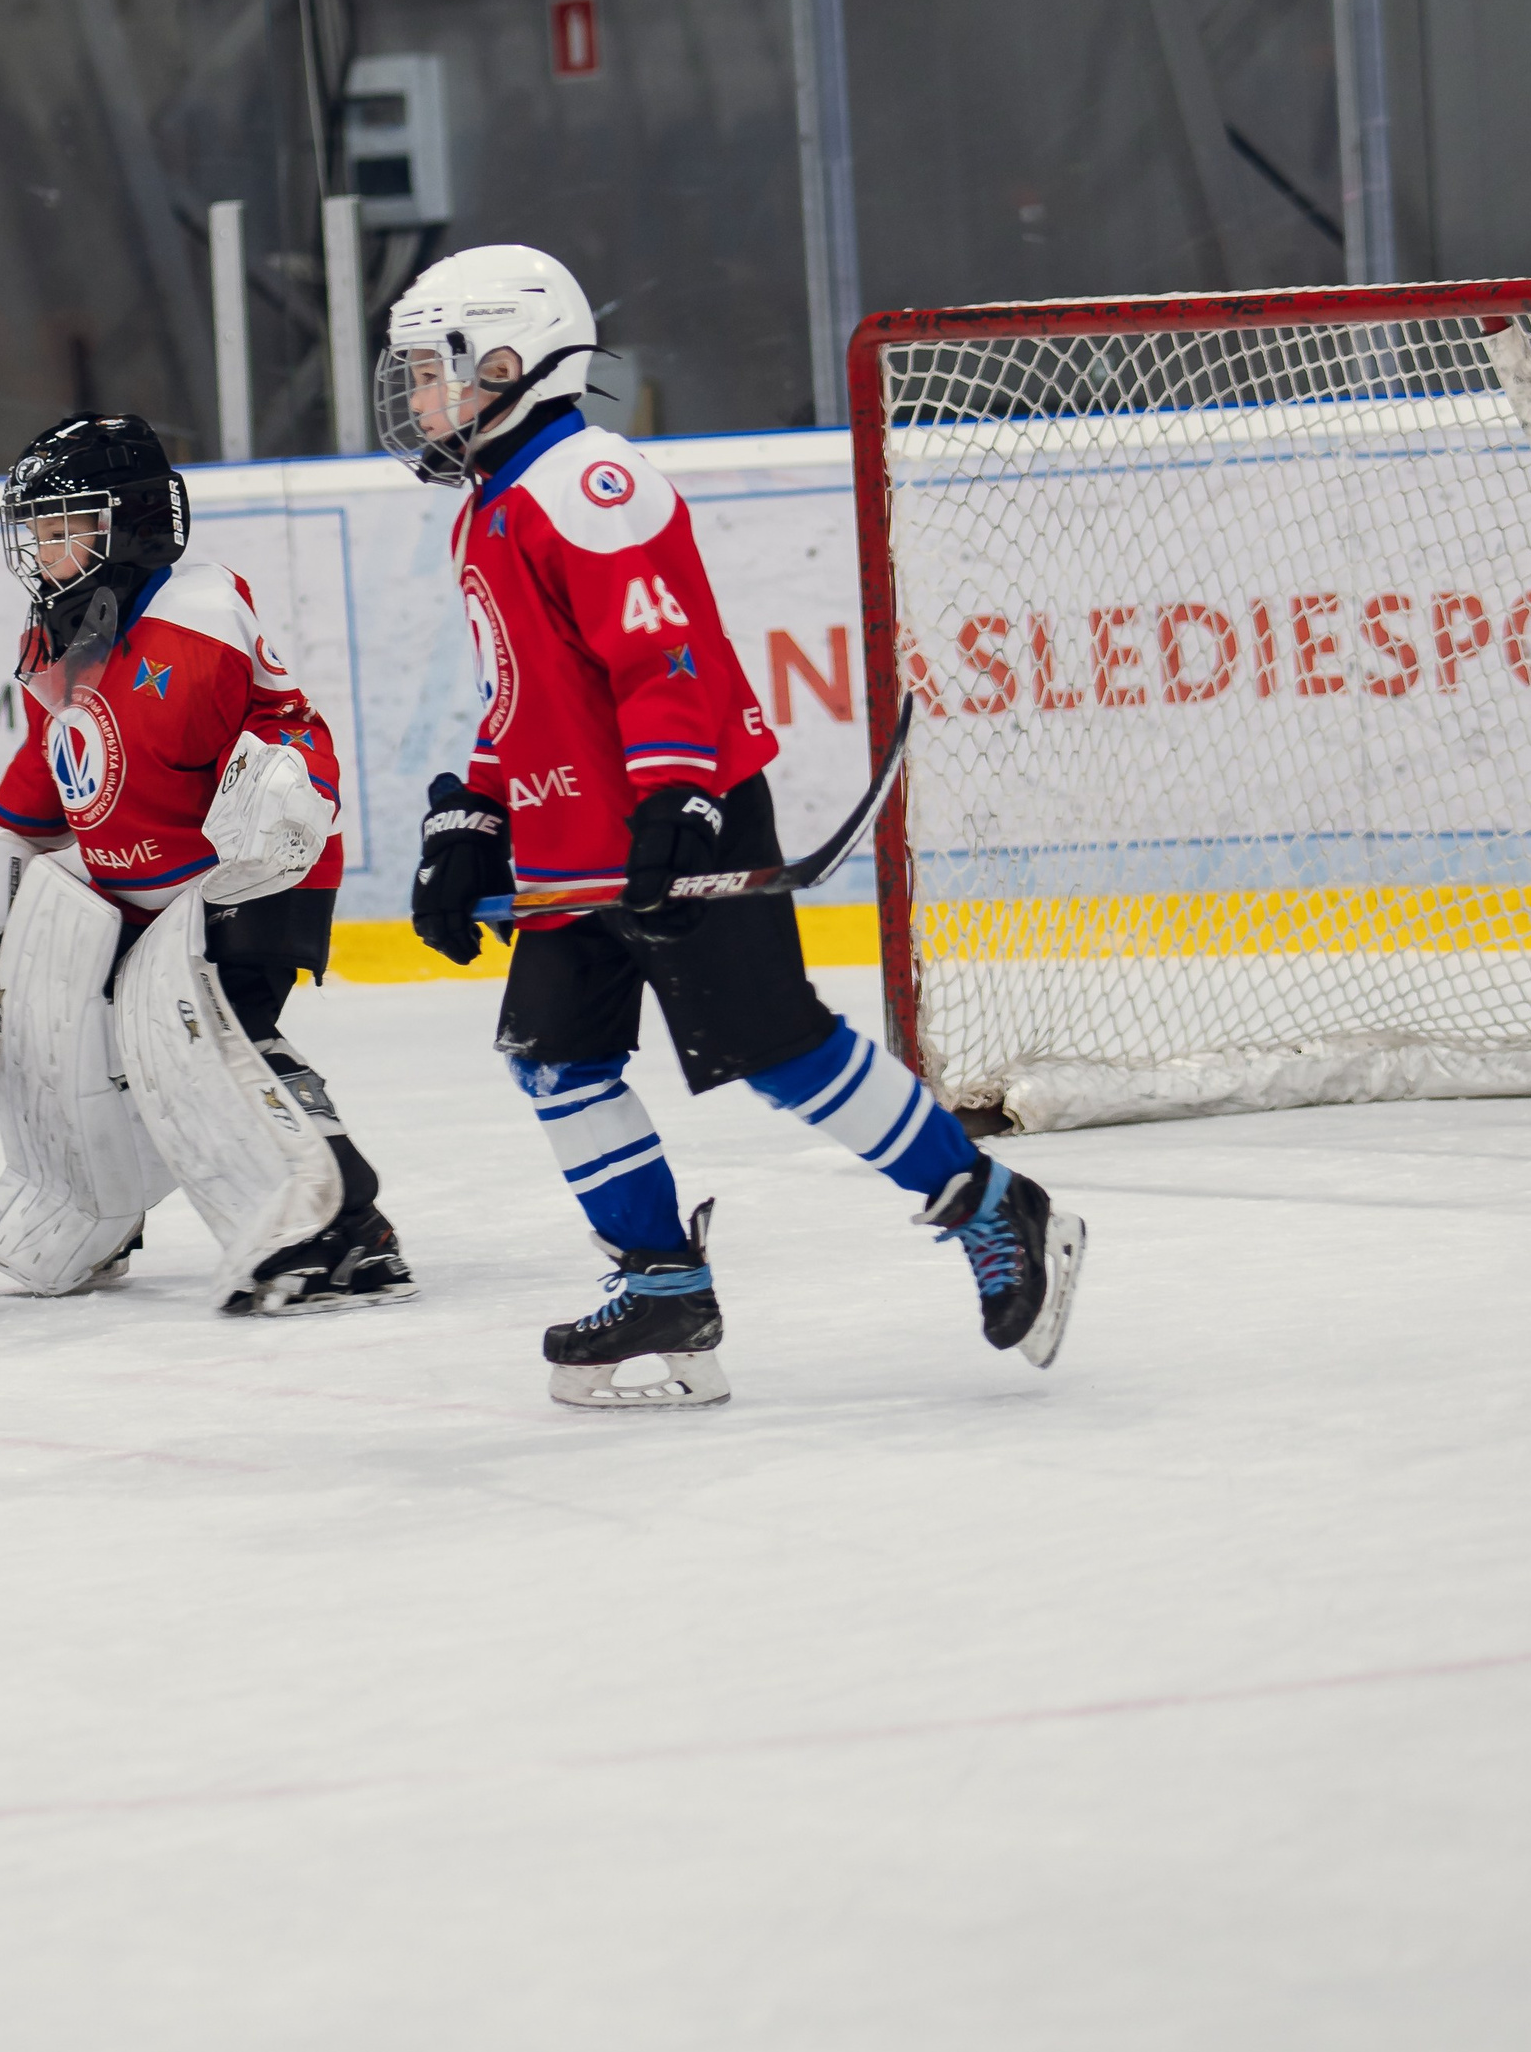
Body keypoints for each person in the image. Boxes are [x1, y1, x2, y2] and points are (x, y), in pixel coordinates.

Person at [378, 245, 1084, 1405]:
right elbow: (527, 692)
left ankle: (994, 1204)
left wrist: (680, 791)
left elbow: (665, 654)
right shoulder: (488, 506)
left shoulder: (585, 479)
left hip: (682, 813)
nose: (416, 398)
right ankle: (661, 1278)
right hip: (574, 845)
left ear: (508, 360)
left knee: (779, 1049)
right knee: (553, 1060)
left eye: (431, 370)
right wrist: (473, 814)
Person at [0, 410, 411, 1308]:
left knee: (218, 1043)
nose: (47, 547)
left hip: (249, 878)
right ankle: (101, 1210)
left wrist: (293, 787)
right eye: (41, 528)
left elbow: (289, 728)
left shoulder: (200, 620)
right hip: (135, 894)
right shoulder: (53, 632)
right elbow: (57, 755)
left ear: (133, 521)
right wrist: (6, 836)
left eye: (70, 525)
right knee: (80, 1042)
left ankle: (349, 1231)